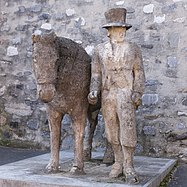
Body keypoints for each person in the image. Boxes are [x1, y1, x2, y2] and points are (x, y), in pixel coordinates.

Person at [88, 8, 145, 183]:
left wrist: (137, 92)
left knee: (127, 128)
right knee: (111, 130)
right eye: (116, 28)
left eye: (123, 28)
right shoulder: (99, 50)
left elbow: (139, 72)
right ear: (109, 31)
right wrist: (93, 90)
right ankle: (118, 161)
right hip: (108, 94)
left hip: (126, 93)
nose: (121, 31)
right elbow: (96, 73)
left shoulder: (133, 48)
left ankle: (129, 165)